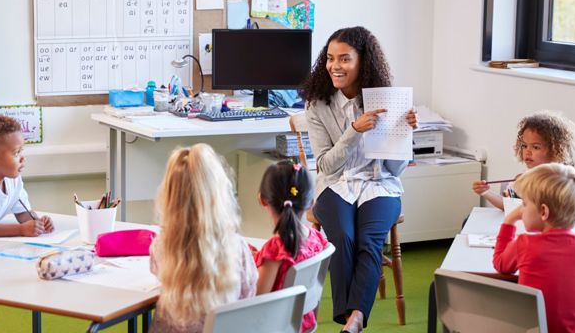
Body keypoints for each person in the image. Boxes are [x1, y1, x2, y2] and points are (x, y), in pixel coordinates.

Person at [301, 26, 417, 332]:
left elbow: (394, 169)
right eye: (330, 59)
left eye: (344, 59)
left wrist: (405, 134)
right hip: (335, 184)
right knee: (344, 237)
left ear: (363, 62)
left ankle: (354, 319)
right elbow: (326, 166)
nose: (335, 66)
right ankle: (350, 316)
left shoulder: (385, 101)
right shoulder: (318, 105)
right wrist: (354, 131)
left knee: (369, 240)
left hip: (380, 184)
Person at [149, 144, 257, 332]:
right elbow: (249, 298)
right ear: (218, 192)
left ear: (169, 195)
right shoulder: (237, 247)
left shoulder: (161, 246)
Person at [493, 163, 575, 333]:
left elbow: (500, 263)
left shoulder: (525, 244)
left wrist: (509, 220)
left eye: (524, 204)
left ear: (543, 212)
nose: (521, 210)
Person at [253, 161, 328, 332]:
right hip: (302, 322)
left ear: (262, 199)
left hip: (275, 325)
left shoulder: (276, 249)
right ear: (310, 203)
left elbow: (255, 300)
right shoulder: (317, 238)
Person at [472, 110, 575, 209]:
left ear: (556, 150)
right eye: (524, 146)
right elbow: (507, 206)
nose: (527, 152)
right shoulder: (526, 176)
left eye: (536, 147)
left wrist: (526, 188)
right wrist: (485, 192)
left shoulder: (563, 181)